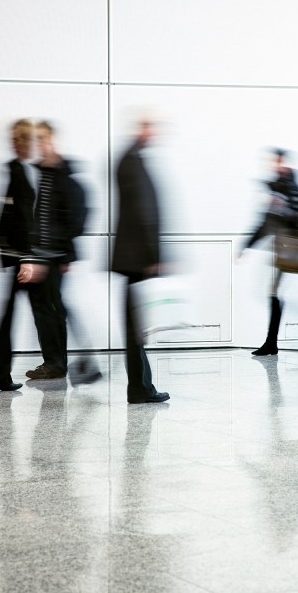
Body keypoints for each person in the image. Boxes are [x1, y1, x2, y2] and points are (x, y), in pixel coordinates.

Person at [0, 120, 85, 391]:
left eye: (21, 139)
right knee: (43, 311)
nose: (15, 143)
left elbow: (50, 218)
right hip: (27, 256)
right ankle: (2, 372)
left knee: (48, 310)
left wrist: (36, 257)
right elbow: (14, 215)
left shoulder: (43, 172)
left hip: (37, 257)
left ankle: (51, 364)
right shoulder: (24, 170)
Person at [110, 117, 170, 404]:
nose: (154, 132)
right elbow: (145, 212)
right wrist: (154, 256)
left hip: (132, 256)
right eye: (150, 126)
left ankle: (141, 386)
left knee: (136, 326)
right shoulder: (132, 161)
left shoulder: (129, 159)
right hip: (137, 258)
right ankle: (140, 388)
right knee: (136, 327)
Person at [239, 148, 298, 356]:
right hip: (280, 246)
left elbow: (296, 214)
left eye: (278, 161)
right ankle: (271, 342)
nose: (275, 165)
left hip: (291, 246)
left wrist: (280, 202)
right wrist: (247, 245)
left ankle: (272, 342)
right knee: (273, 293)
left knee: (275, 293)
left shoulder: (292, 186)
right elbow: (264, 221)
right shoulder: (277, 186)